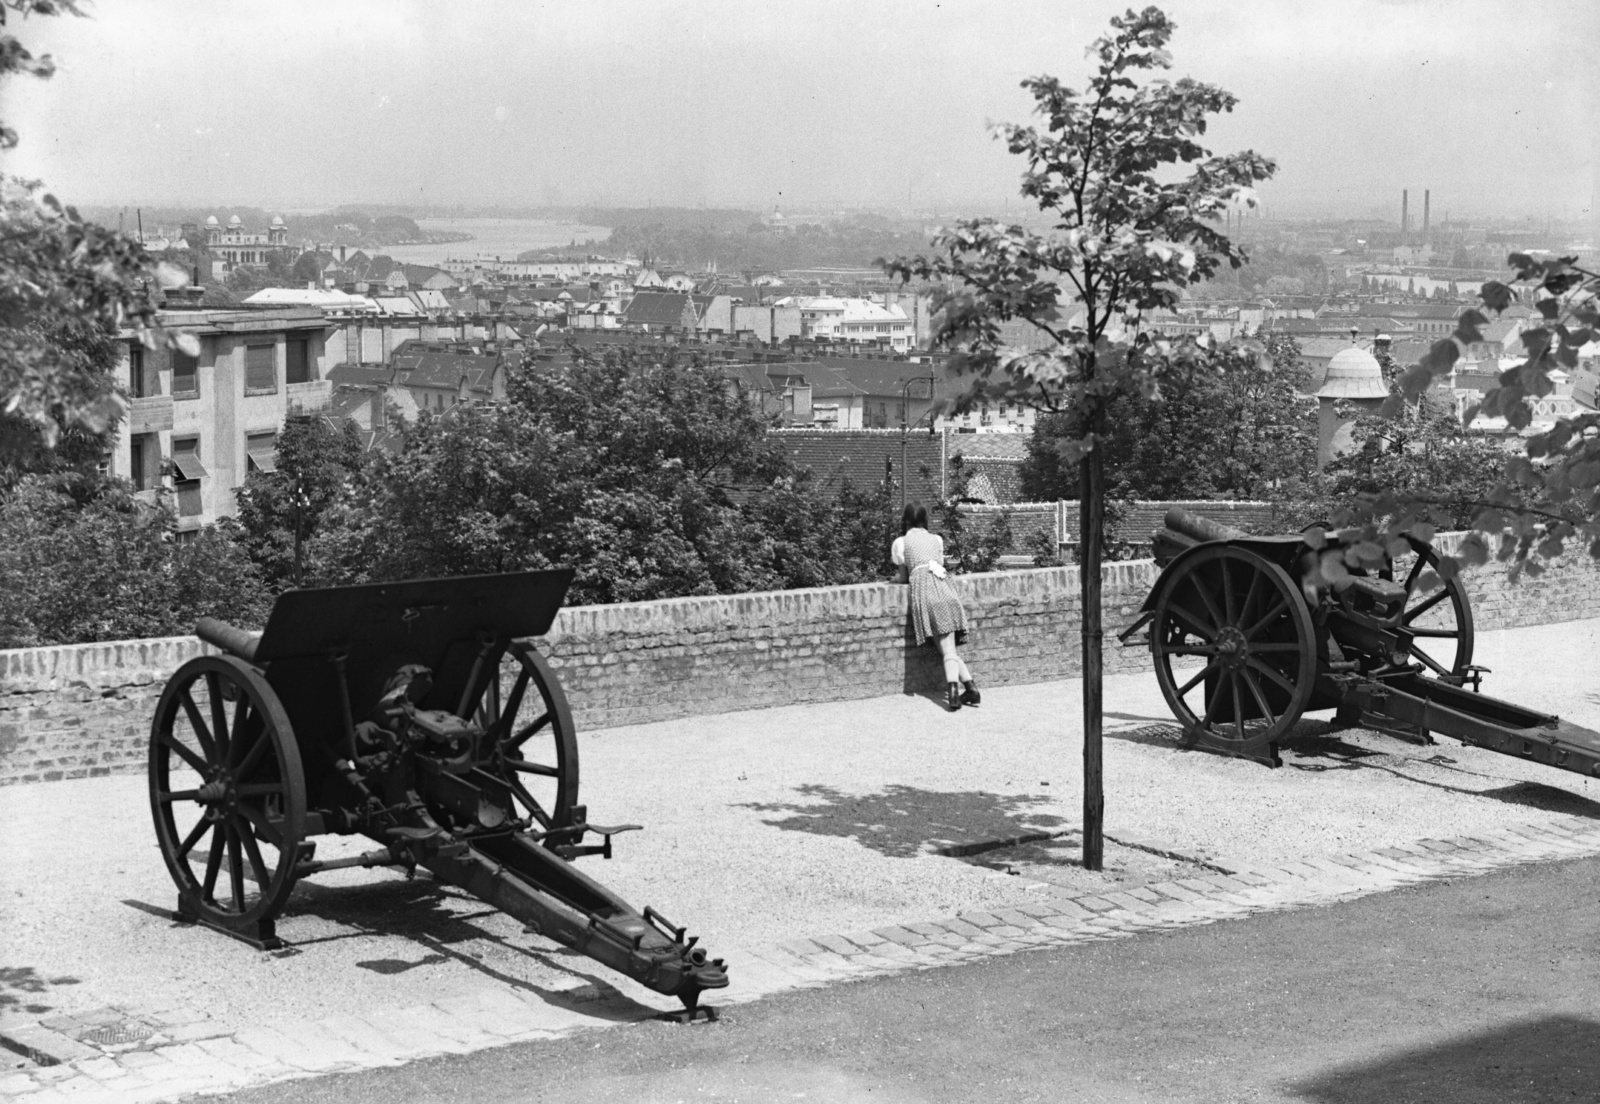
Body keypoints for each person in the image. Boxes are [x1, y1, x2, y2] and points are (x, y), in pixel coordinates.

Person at [891, 503, 980, 711]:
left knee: (946, 649)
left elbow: (903, 577)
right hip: (945, 589)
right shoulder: (936, 540)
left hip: (927, 594)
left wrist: (893, 580)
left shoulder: (901, 543)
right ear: (925, 520)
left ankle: (953, 695)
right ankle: (971, 688)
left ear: (905, 521)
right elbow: (937, 563)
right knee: (947, 648)